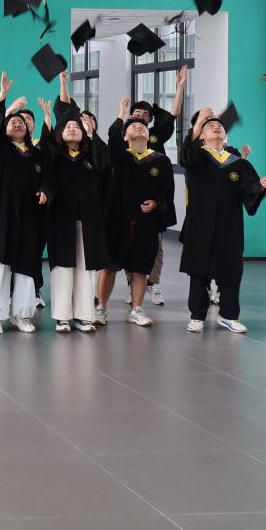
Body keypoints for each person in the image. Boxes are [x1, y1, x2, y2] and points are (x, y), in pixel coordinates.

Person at [179, 108, 266, 333]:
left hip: (229, 225)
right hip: (200, 224)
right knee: (199, 271)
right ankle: (197, 316)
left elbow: (249, 192)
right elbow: (186, 153)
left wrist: (260, 187)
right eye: (210, 126)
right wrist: (199, 122)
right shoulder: (197, 157)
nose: (216, 128)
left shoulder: (237, 163)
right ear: (201, 135)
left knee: (230, 271)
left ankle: (228, 315)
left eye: (219, 126)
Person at [106, 66, 188, 306]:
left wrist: (179, 87)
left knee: (155, 245)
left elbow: (173, 114)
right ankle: (132, 285)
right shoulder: (124, 138)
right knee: (127, 243)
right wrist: (121, 112)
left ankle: (154, 283)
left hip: (152, 195)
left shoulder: (155, 136)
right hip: (127, 196)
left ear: (150, 119)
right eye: (137, 112)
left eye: (145, 113)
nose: (140, 116)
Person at [42, 77, 111, 334]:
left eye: (77, 126)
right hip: (62, 218)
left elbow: (105, 168)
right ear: (59, 133)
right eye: (68, 126)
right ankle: (62, 317)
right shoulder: (56, 156)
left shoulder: (92, 155)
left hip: (90, 218)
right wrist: (62, 86)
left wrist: (93, 137)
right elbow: (46, 167)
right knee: (63, 267)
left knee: (85, 267)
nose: (72, 128)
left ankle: (84, 315)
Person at [0, 72, 51, 334]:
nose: (17, 124)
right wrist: (2, 97)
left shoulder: (36, 154)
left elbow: (48, 178)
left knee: (26, 265)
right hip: (5, 215)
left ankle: (22, 314)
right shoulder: (1, 149)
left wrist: (44, 190)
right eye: (12, 122)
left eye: (21, 122)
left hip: (30, 215)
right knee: (2, 266)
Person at [101, 109, 175, 329]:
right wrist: (121, 114)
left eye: (142, 126)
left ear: (148, 134)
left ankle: (136, 310)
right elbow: (112, 139)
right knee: (110, 266)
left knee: (140, 268)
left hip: (145, 222)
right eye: (132, 126)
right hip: (118, 220)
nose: (138, 126)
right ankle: (100, 308)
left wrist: (156, 203)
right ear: (125, 137)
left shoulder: (161, 161)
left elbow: (167, 192)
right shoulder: (120, 157)